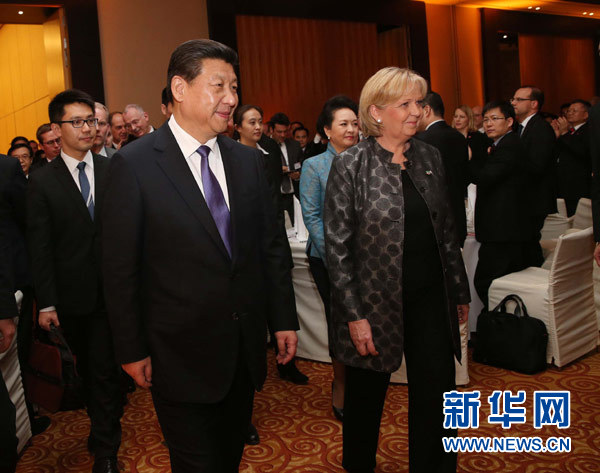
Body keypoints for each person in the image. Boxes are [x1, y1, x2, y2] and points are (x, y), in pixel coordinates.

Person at [102, 39, 299, 473]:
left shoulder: (247, 161)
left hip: (242, 350)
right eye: (219, 86)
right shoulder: (134, 165)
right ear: (179, 88)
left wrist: (283, 318)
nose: (231, 99)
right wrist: (131, 348)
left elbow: (270, 248)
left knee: (228, 458)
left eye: (235, 87)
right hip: (177, 355)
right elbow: (119, 269)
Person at [324, 67, 470, 473]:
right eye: (404, 104)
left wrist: (458, 291)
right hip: (373, 305)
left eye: (418, 103)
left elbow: (446, 230)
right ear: (376, 111)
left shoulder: (430, 157)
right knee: (365, 401)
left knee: (438, 396)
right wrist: (354, 315)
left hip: (430, 298)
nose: (416, 111)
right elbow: (337, 249)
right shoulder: (351, 165)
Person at [27, 89, 123, 473]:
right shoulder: (42, 181)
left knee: (106, 370)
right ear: (57, 128)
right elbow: (40, 247)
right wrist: (47, 302)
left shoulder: (113, 170)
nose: (88, 128)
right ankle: (102, 427)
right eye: (77, 122)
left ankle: (106, 448)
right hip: (73, 296)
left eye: (92, 121)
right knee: (90, 370)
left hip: (115, 292)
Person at [299, 95, 359, 422]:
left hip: (367, 260)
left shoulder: (368, 160)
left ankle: (363, 381)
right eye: (343, 124)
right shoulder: (315, 166)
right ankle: (341, 384)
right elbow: (312, 217)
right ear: (327, 130)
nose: (351, 129)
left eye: (354, 123)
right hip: (328, 261)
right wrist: (337, 258)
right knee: (340, 323)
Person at [470, 101, 531, 308]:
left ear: (510, 121)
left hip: (502, 230)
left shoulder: (510, 146)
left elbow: (485, 177)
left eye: (495, 119)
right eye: (486, 119)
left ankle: (498, 321)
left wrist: (469, 159)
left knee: (488, 282)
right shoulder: (501, 145)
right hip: (504, 228)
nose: (488, 124)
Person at [511, 86, 556, 266]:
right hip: (525, 197)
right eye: (513, 99)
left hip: (534, 197)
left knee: (529, 242)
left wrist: (509, 160)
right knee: (526, 242)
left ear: (534, 104)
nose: (513, 103)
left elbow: (537, 165)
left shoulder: (541, 128)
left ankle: (533, 274)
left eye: (519, 99)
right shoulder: (520, 127)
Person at [417, 92, 469, 246]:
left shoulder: (421, 141)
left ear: (426, 110)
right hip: (457, 215)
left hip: (433, 221)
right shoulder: (459, 137)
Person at [553, 99, 591, 216]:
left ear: (586, 115)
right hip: (563, 183)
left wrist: (564, 133)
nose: (570, 113)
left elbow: (582, 152)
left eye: (574, 111)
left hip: (578, 184)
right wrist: (557, 136)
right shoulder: (569, 132)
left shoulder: (589, 130)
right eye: (569, 111)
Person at [270, 112, 303, 220]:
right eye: (279, 132)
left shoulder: (295, 145)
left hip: (294, 196)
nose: (283, 135)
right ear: (272, 130)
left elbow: (301, 165)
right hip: (275, 197)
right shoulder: (265, 147)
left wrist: (298, 175)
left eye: (285, 131)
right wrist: (276, 169)